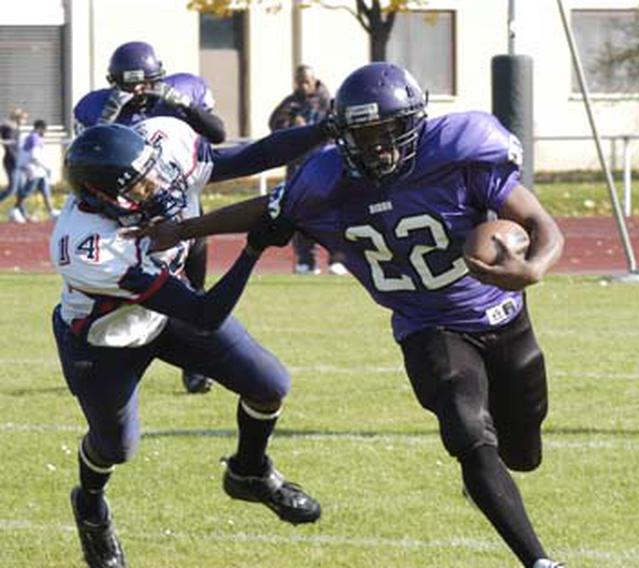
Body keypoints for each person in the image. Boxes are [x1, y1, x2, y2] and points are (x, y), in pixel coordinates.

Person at [131, 63, 566, 568]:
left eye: (389, 132)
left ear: (415, 125)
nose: (379, 146)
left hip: (503, 316)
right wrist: (178, 232)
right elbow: (265, 210)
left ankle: (491, 481)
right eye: (364, 135)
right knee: (468, 434)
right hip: (427, 326)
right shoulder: (324, 180)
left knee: (522, 455)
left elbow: (538, 221)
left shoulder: (461, 153)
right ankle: (540, 561)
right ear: (344, 135)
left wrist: (533, 269)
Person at [52, 117, 330, 568]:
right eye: (140, 187)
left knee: (269, 383)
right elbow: (204, 314)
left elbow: (252, 157)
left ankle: (249, 471)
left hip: (167, 310)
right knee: (115, 448)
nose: (157, 187)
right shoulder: (90, 247)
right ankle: (89, 505)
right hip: (108, 338)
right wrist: (253, 248)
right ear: (104, 200)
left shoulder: (167, 147)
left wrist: (324, 129)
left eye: (152, 173)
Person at [74, 40, 226, 393]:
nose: (138, 92)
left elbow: (217, 133)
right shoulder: (97, 107)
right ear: (114, 83)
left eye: (145, 83)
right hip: (121, 212)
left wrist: (183, 104)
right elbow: (82, 158)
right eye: (129, 85)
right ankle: (113, 361)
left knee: (193, 288)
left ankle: (195, 366)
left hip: (178, 201)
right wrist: (108, 117)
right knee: (128, 288)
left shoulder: (181, 91)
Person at [268, 64, 345, 276]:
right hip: (299, 169)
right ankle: (306, 261)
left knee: (333, 215)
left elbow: (339, 128)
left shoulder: (328, 102)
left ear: (314, 80)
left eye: (307, 81)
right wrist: (293, 122)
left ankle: (337, 260)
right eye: (299, 81)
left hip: (327, 167)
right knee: (300, 216)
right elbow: (274, 124)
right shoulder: (291, 103)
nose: (303, 85)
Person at [9, 119, 59, 223]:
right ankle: (15, 210)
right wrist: (46, 167)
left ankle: (51, 212)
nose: (45, 132)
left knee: (45, 190)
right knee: (28, 191)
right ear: (40, 128)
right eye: (44, 130)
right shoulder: (34, 138)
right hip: (33, 169)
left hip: (38, 170)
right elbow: (34, 156)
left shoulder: (35, 138)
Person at [0, 108, 27, 204]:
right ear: (18, 118)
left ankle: (21, 212)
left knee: (21, 190)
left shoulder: (16, 129)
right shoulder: (9, 129)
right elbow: (9, 144)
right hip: (12, 161)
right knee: (12, 189)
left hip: (17, 161)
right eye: (23, 119)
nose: (25, 121)